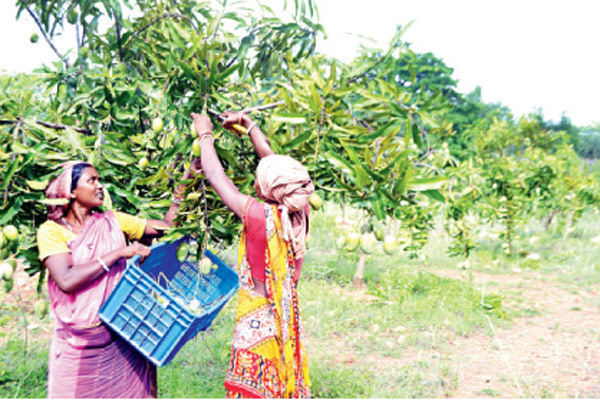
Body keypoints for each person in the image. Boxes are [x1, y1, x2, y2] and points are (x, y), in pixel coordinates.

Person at [37, 159, 200, 398]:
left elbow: (166, 226)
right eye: (92, 180)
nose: (100, 186)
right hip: (79, 344)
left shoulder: (112, 221)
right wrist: (119, 253)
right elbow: (66, 279)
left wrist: (187, 180)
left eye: (100, 179)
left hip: (121, 335)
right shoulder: (51, 231)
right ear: (70, 191)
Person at [191, 110, 313, 398]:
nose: (255, 180)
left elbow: (216, 177)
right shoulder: (300, 213)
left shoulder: (259, 216)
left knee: (256, 387)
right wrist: (250, 126)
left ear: (267, 188)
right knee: (281, 380)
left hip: (258, 318)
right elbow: (274, 164)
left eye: (260, 178)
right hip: (287, 313)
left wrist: (205, 134)